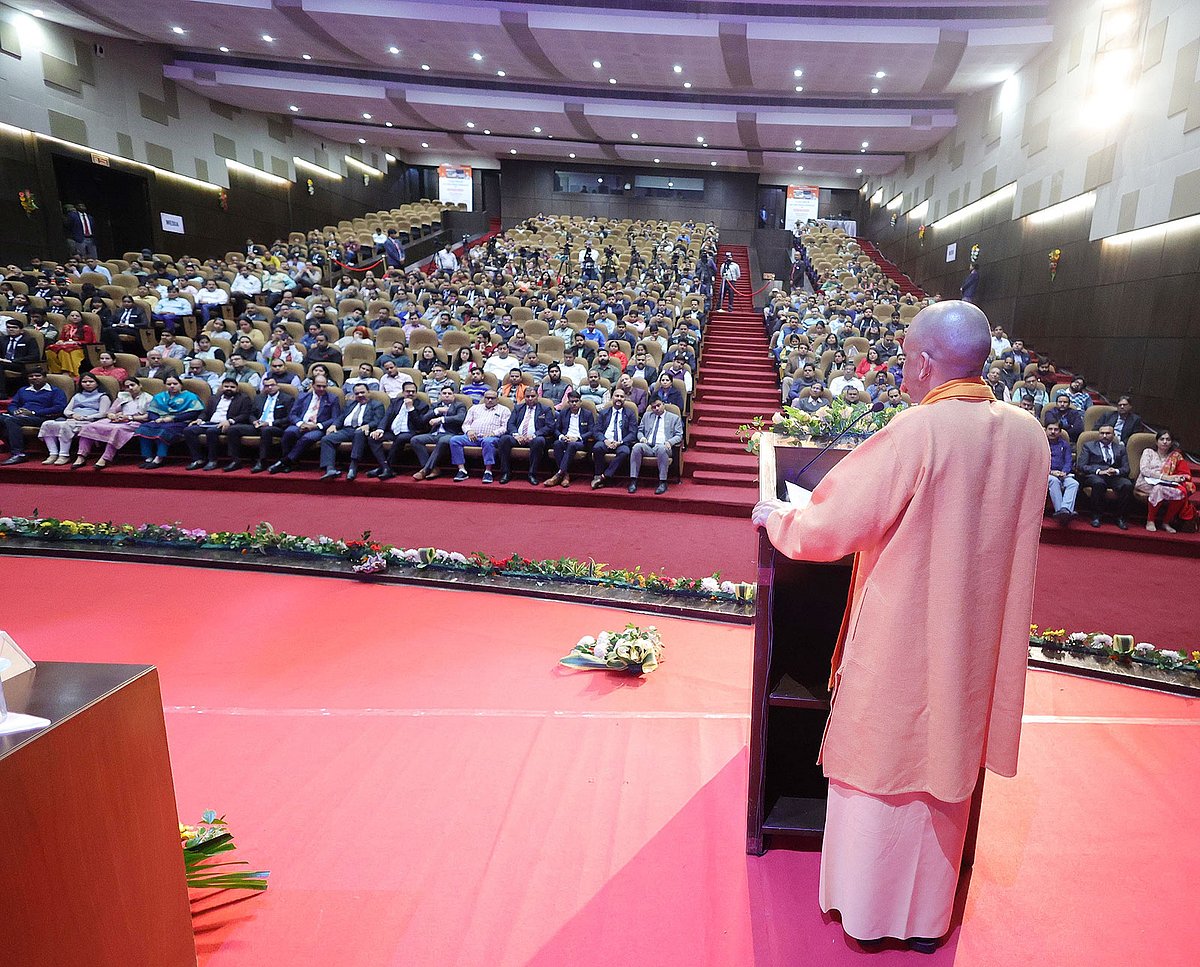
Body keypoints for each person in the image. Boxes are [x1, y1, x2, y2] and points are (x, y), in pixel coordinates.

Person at [751, 301, 1048, 953]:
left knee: (885, 770)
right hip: (973, 645)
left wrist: (779, 518)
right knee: (943, 771)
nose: (900, 372)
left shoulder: (920, 430)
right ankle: (925, 919)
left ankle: (869, 914)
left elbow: (830, 525)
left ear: (922, 361)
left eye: (904, 358)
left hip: (907, 643)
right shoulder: (1030, 435)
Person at [270, 376, 342, 473]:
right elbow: (292, 414)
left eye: (324, 386)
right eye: (319, 386)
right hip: (301, 424)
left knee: (308, 438)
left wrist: (316, 426)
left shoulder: (332, 398)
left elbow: (335, 418)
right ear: (312, 385)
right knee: (288, 433)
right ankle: (291, 463)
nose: (322, 389)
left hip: (318, 428)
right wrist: (300, 424)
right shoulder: (302, 396)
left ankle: (285, 461)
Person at [75, 376, 151, 468]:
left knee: (117, 430)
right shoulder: (122, 396)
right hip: (118, 419)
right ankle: (81, 456)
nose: (130, 388)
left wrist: (129, 417)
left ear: (140, 385)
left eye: (132, 385)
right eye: (127, 386)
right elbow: (111, 411)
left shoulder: (148, 398)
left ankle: (106, 457)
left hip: (135, 421)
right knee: (89, 426)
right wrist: (112, 415)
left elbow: (147, 416)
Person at [37, 371, 110, 464]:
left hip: (89, 421)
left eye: (91, 382)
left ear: (97, 383)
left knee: (65, 426)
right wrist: (73, 415)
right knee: (47, 424)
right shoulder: (77, 395)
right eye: (84, 382)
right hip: (73, 419)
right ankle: (53, 454)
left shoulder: (103, 396)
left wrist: (85, 417)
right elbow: (66, 411)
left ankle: (64, 455)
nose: (87, 384)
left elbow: (103, 413)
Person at [318, 382, 385, 481]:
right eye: (357, 394)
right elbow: (341, 417)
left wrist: (368, 425)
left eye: (362, 392)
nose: (360, 395)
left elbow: (378, 420)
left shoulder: (377, 404)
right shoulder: (350, 404)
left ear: (369, 392)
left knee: (358, 432)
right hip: (347, 430)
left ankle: (353, 467)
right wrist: (334, 425)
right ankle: (330, 469)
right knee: (326, 439)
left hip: (364, 431)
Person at [183, 378, 253, 471]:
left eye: (232, 387)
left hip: (227, 424)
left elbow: (245, 415)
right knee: (189, 430)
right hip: (210, 422)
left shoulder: (243, 398)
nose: (229, 389)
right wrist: (199, 419)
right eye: (226, 386)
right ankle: (198, 459)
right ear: (221, 387)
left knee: (211, 431)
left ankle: (212, 460)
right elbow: (205, 412)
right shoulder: (214, 398)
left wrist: (230, 421)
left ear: (237, 388)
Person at [362, 381, 429, 479]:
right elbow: (387, 416)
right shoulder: (395, 401)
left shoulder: (422, 406)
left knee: (401, 437)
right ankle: (384, 467)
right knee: (372, 437)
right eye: (407, 391)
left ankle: (386, 468)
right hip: (393, 432)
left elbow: (420, 426)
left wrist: (411, 408)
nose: (410, 394)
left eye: (413, 391)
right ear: (403, 392)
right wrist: (380, 429)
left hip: (411, 432)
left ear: (416, 392)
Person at [135, 374, 204, 468]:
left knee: (164, 431)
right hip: (161, 420)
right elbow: (151, 411)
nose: (172, 386)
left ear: (181, 385)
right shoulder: (159, 397)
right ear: (165, 386)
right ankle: (148, 457)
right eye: (169, 384)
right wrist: (156, 419)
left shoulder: (190, 396)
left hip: (180, 422)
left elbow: (194, 412)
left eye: (175, 383)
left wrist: (173, 418)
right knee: (143, 428)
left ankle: (159, 458)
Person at [0, 369, 67, 464]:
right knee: (8, 418)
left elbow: (58, 408)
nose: (34, 378)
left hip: (42, 417)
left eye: (37, 375)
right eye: (31, 376)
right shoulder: (23, 390)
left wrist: (33, 412)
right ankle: (9, 445)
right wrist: (14, 411)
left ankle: (18, 453)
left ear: (45, 377)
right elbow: (13, 404)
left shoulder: (55, 391)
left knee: (11, 421)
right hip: (20, 416)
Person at [229, 378, 293, 473]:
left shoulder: (287, 399)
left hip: (276, 427)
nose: (270, 388)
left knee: (266, 430)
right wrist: (254, 421)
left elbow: (289, 418)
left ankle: (262, 461)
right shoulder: (259, 398)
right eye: (267, 386)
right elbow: (251, 414)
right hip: (258, 425)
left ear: (278, 386)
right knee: (233, 429)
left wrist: (269, 423)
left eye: (272, 385)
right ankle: (235, 460)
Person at [1136, 429, 1194, 533]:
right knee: (1158, 488)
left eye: (1168, 439)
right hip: (1146, 483)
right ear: (1156, 441)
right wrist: (1164, 477)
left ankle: (1166, 522)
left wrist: (1178, 478)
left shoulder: (1175, 456)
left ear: (1171, 442)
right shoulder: (1149, 452)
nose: (1165, 442)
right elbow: (1144, 470)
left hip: (1166, 484)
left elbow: (1184, 473)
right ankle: (1150, 520)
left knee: (1181, 492)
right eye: (1162, 439)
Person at [1077, 423, 1133, 529]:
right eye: (1102, 433)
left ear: (1113, 435)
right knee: (1099, 483)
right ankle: (1096, 516)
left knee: (1127, 485)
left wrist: (1116, 471)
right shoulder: (1089, 446)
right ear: (1098, 434)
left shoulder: (1120, 448)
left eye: (1108, 433)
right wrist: (1099, 471)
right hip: (1095, 475)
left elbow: (1126, 469)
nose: (1104, 436)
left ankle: (1120, 517)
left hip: (1114, 476)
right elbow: (1081, 465)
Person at [448, 388, 509, 482]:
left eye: (492, 398)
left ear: (497, 399)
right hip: (473, 437)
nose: (490, 400)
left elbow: (505, 427)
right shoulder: (474, 408)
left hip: (492, 438)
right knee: (454, 440)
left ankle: (488, 471)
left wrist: (493, 433)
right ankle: (462, 470)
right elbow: (466, 424)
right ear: (483, 398)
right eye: (487, 398)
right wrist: (469, 431)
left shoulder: (504, 410)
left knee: (487, 442)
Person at [628, 396, 683, 494]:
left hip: (664, 446)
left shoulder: (674, 418)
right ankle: (633, 480)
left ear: (663, 404)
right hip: (648, 446)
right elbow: (640, 431)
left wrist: (670, 442)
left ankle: (663, 482)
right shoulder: (646, 416)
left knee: (661, 449)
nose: (657, 409)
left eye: (658, 405)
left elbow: (679, 435)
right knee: (636, 447)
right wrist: (641, 438)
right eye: (654, 407)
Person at [410, 386, 467, 480]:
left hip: (451, 434)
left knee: (443, 440)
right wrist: (436, 411)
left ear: (454, 396)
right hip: (434, 433)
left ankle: (425, 470)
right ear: (440, 395)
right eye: (444, 393)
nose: (447, 396)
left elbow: (460, 418)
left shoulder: (459, 405)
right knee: (415, 440)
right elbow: (424, 419)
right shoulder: (435, 405)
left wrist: (442, 419)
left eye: (449, 394)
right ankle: (433, 468)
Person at [496, 395, 555, 485]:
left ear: (537, 396)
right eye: (527, 396)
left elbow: (550, 426)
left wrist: (534, 435)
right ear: (524, 398)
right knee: (504, 439)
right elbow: (510, 424)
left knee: (539, 441)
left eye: (532, 396)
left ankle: (532, 474)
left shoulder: (545, 409)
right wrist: (516, 435)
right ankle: (506, 473)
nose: (530, 398)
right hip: (518, 437)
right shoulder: (518, 408)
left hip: (534, 438)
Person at [544, 391, 597, 487]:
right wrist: (562, 436)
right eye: (572, 401)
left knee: (572, 445)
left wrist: (576, 438)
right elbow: (556, 429)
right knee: (557, 443)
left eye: (576, 401)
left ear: (580, 402)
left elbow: (592, 431)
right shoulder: (563, 413)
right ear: (568, 403)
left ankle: (558, 474)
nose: (574, 404)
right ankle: (565, 475)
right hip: (565, 439)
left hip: (579, 441)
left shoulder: (587, 414)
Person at [590, 389, 636, 489]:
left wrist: (620, 442)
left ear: (625, 399)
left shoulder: (630, 413)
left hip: (621, 443)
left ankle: (604, 476)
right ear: (612, 398)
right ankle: (598, 474)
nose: (619, 398)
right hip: (606, 441)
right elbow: (596, 431)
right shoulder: (604, 412)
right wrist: (605, 440)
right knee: (597, 447)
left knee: (625, 451)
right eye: (617, 396)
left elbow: (633, 433)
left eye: (621, 396)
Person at [45, 310, 97, 379]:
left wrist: (75, 342)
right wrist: (60, 341)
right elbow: (62, 338)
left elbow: (88, 341)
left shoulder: (86, 328)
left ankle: (69, 372)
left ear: (81, 318)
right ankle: (56, 371)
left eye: (77, 316)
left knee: (63, 351)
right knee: (49, 350)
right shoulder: (66, 327)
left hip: (80, 347)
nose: (74, 317)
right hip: (65, 345)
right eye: (72, 316)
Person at [1045, 423, 1078, 525]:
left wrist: (1064, 472)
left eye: (1056, 429)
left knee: (1074, 483)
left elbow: (1068, 461)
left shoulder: (1064, 444)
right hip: (1046, 473)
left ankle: (1065, 510)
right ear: (1045, 430)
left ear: (1060, 432)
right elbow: (1038, 462)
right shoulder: (1041, 443)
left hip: (1062, 474)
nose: (1053, 432)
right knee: (1054, 481)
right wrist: (1051, 472)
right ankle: (1061, 512)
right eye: (1050, 429)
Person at [0, 318, 41, 397]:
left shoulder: (29, 340)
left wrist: (12, 361)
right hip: (4, 363)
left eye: (14, 327)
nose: (11, 329)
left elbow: (34, 356)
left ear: (21, 330)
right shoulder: (2, 339)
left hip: (21, 364)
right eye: (8, 327)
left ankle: (2, 393)